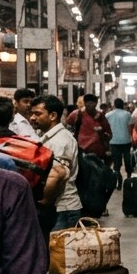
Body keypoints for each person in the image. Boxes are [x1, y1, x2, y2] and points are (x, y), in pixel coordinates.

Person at [28, 96, 81, 233]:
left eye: (38, 114)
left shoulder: (60, 141)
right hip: (57, 209)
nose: (32, 118)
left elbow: (57, 175)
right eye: (32, 113)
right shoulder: (45, 135)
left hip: (62, 210)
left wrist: (43, 201)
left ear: (53, 116)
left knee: (57, 253)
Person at [64, 93, 110, 163]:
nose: (90, 105)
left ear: (96, 103)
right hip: (81, 151)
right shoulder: (77, 114)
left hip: (98, 152)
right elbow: (66, 125)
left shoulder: (101, 116)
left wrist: (104, 135)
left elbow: (108, 132)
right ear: (84, 103)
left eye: (92, 103)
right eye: (88, 103)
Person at [106, 98, 134, 186]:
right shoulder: (127, 114)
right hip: (126, 141)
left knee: (116, 164)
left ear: (114, 104)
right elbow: (131, 128)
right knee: (127, 160)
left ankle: (119, 182)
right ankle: (129, 179)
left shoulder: (108, 115)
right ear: (123, 105)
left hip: (113, 142)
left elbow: (106, 129)